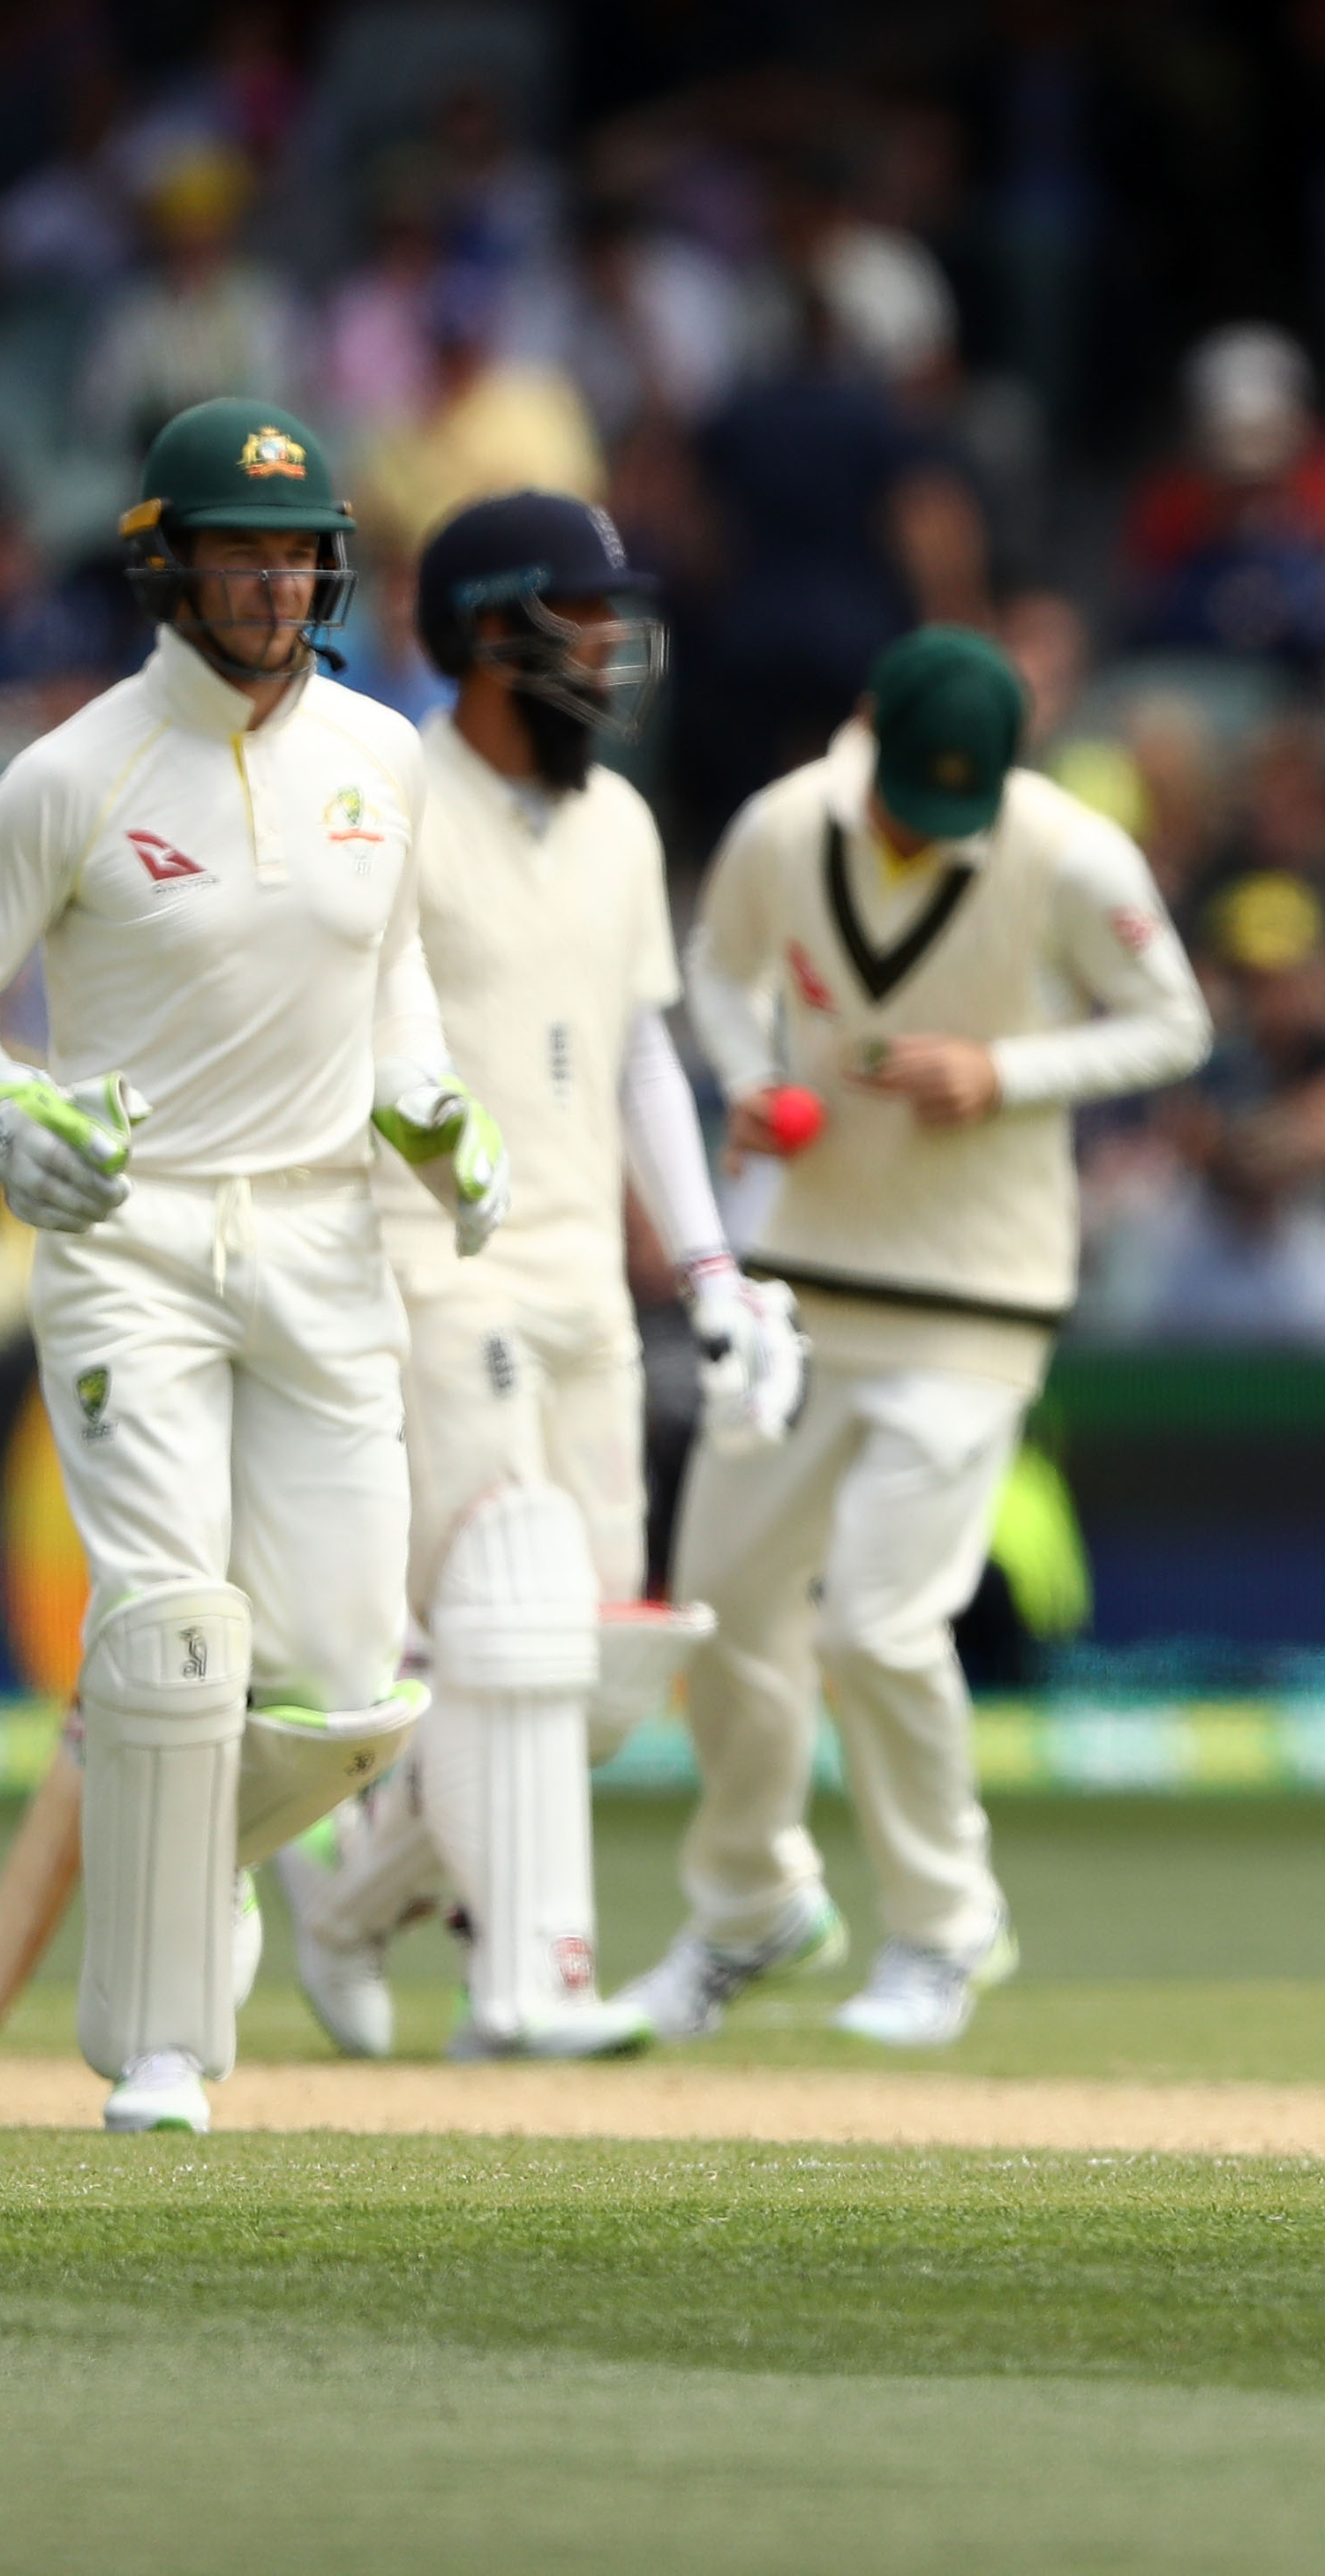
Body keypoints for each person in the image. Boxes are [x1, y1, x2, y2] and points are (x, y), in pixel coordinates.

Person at [0, 399, 501, 2133]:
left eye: (296, 547)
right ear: (167, 561)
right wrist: (4, 1115)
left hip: (323, 1236)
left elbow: (388, 976)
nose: (271, 580)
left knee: (349, 1690)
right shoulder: (70, 772)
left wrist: (431, 1108)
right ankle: (164, 2045)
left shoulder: (386, 754)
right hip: (129, 1232)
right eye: (238, 551)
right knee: (168, 1633)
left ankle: (181, 1865)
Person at [267, 491, 809, 2062]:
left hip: (589, 1285)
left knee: (606, 1665)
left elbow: (641, 1048)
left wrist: (709, 1267)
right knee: (508, 1625)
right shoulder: (388, 794)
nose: (606, 648)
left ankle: (352, 1905)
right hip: (433, 1267)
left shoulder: (624, 825)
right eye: (577, 616)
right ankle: (529, 1987)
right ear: (488, 631)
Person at [616, 626, 1207, 2049]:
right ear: (864, 727)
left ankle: (947, 1928)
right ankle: (752, 1900)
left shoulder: (1066, 853)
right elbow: (717, 962)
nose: (914, 827)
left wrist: (1005, 1071)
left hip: (979, 1294)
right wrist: (751, 1076)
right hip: (804, 1274)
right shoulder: (786, 822)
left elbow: (1171, 1024)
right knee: (722, 1595)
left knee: (881, 1619)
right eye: (900, 792)